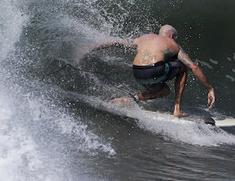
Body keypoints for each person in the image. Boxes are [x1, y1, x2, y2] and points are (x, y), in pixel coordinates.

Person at [81, 24, 215, 118]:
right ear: (172, 36)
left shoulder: (143, 38)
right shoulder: (173, 44)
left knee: (164, 91)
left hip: (138, 73)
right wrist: (210, 88)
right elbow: (194, 67)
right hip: (154, 70)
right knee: (183, 68)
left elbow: (116, 42)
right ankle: (177, 109)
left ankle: (131, 99)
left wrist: (89, 49)